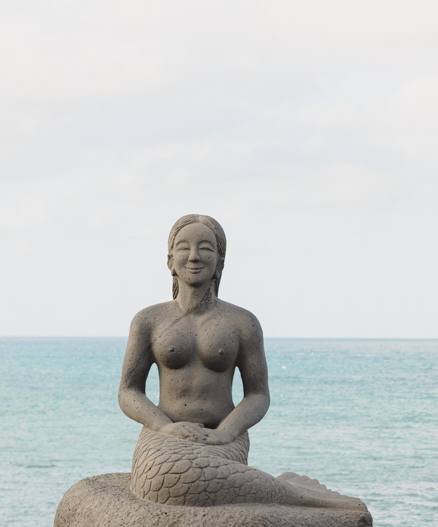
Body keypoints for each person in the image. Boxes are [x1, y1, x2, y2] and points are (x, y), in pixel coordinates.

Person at [119, 214, 358, 508]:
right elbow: (128, 391)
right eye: (184, 248)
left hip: (223, 435)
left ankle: (296, 495)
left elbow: (257, 395)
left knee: (188, 479)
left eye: (205, 248)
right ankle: (289, 491)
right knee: (159, 479)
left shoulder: (242, 323)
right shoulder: (148, 321)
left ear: (220, 262)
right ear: (170, 260)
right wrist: (163, 426)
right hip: (164, 434)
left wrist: (227, 432)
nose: (194, 257)